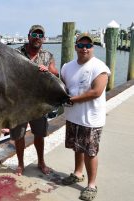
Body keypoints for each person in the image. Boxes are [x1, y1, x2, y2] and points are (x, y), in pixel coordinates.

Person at [60, 32, 110, 201]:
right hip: (73, 116)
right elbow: (62, 86)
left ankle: (91, 185)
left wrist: (71, 99)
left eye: (88, 45)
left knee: (90, 152)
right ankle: (77, 173)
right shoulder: (67, 67)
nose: (84, 49)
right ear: (75, 47)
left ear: (92, 48)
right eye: (81, 45)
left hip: (91, 119)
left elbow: (96, 92)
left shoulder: (99, 67)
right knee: (77, 147)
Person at [4, 25, 59, 176]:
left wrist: (48, 70)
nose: (37, 37)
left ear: (43, 39)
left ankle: (41, 161)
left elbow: (56, 73)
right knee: (19, 136)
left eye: (40, 35)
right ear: (28, 36)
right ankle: (20, 164)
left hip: (39, 104)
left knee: (39, 134)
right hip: (19, 104)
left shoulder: (48, 56)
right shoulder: (16, 53)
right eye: (34, 34)